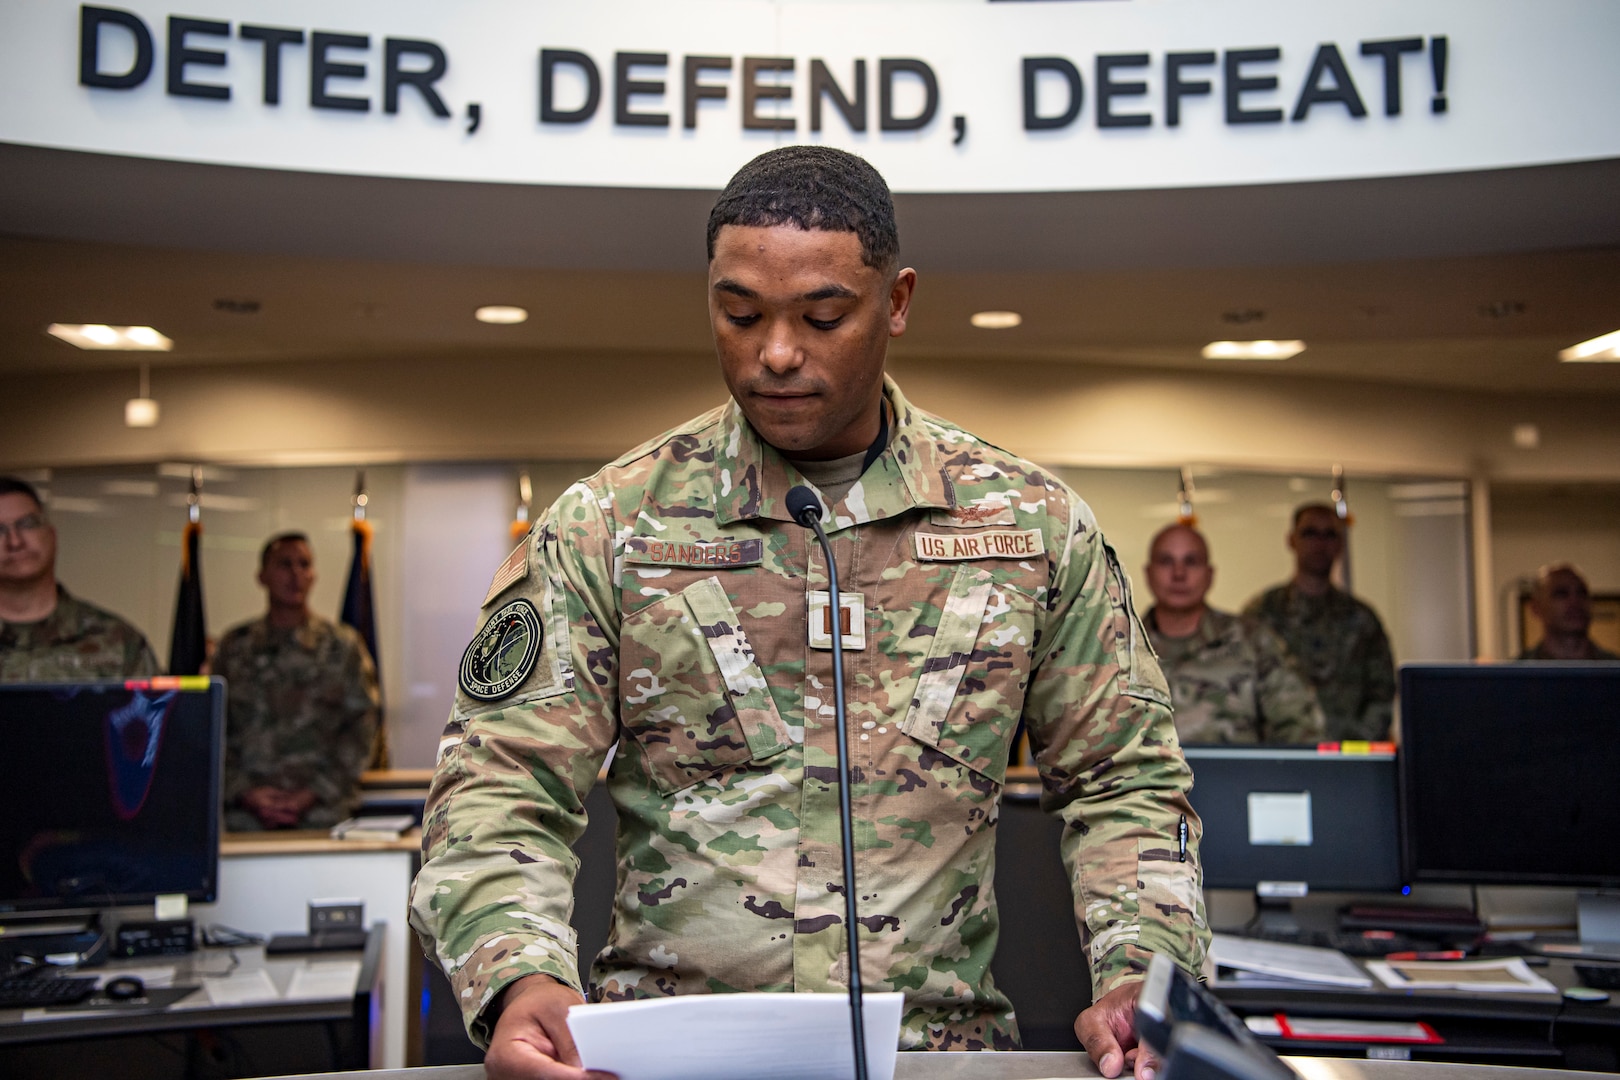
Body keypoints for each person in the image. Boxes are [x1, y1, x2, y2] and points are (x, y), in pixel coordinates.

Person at [409, 146, 1207, 1080]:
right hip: (666, 1060)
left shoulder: (1027, 526)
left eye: (823, 315)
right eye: (738, 314)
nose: (776, 353)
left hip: (937, 1060)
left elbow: (1127, 784)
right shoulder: (612, 526)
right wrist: (517, 977)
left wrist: (1142, 975)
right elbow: (500, 785)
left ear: (898, 301)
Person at [215, 532, 380, 831]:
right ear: (262, 576)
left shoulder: (342, 647)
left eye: (304, 565)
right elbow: (213, 727)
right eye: (284, 565)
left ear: (314, 575)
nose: (296, 575)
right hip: (246, 817)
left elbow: (363, 727)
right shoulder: (234, 647)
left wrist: (313, 792)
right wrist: (244, 791)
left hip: (323, 814)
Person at [1142, 524, 1324, 744]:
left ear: (1209, 575)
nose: (1179, 574)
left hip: (1239, 777)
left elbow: (1300, 729)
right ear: (1148, 574)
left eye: (1191, 561)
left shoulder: (1253, 641)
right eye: (1166, 561)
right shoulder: (1115, 646)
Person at [1243, 504, 1396, 742]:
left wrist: (1361, 740)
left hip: (1348, 753)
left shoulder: (1361, 619)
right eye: (1310, 533)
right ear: (1291, 540)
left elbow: (1382, 692)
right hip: (1279, 753)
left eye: (1329, 535)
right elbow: (1241, 686)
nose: (1320, 543)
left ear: (1340, 544)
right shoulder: (1262, 612)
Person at [0, 476, 160, 682]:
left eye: (27, 524)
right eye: (0, 530)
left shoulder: (118, 642)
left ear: (52, 535)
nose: (14, 541)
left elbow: (152, 712)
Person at [1519, 563, 1618, 661]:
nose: (1575, 602)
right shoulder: (1516, 673)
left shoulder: (1614, 669)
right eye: (1561, 594)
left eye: (1581, 593)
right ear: (1536, 608)